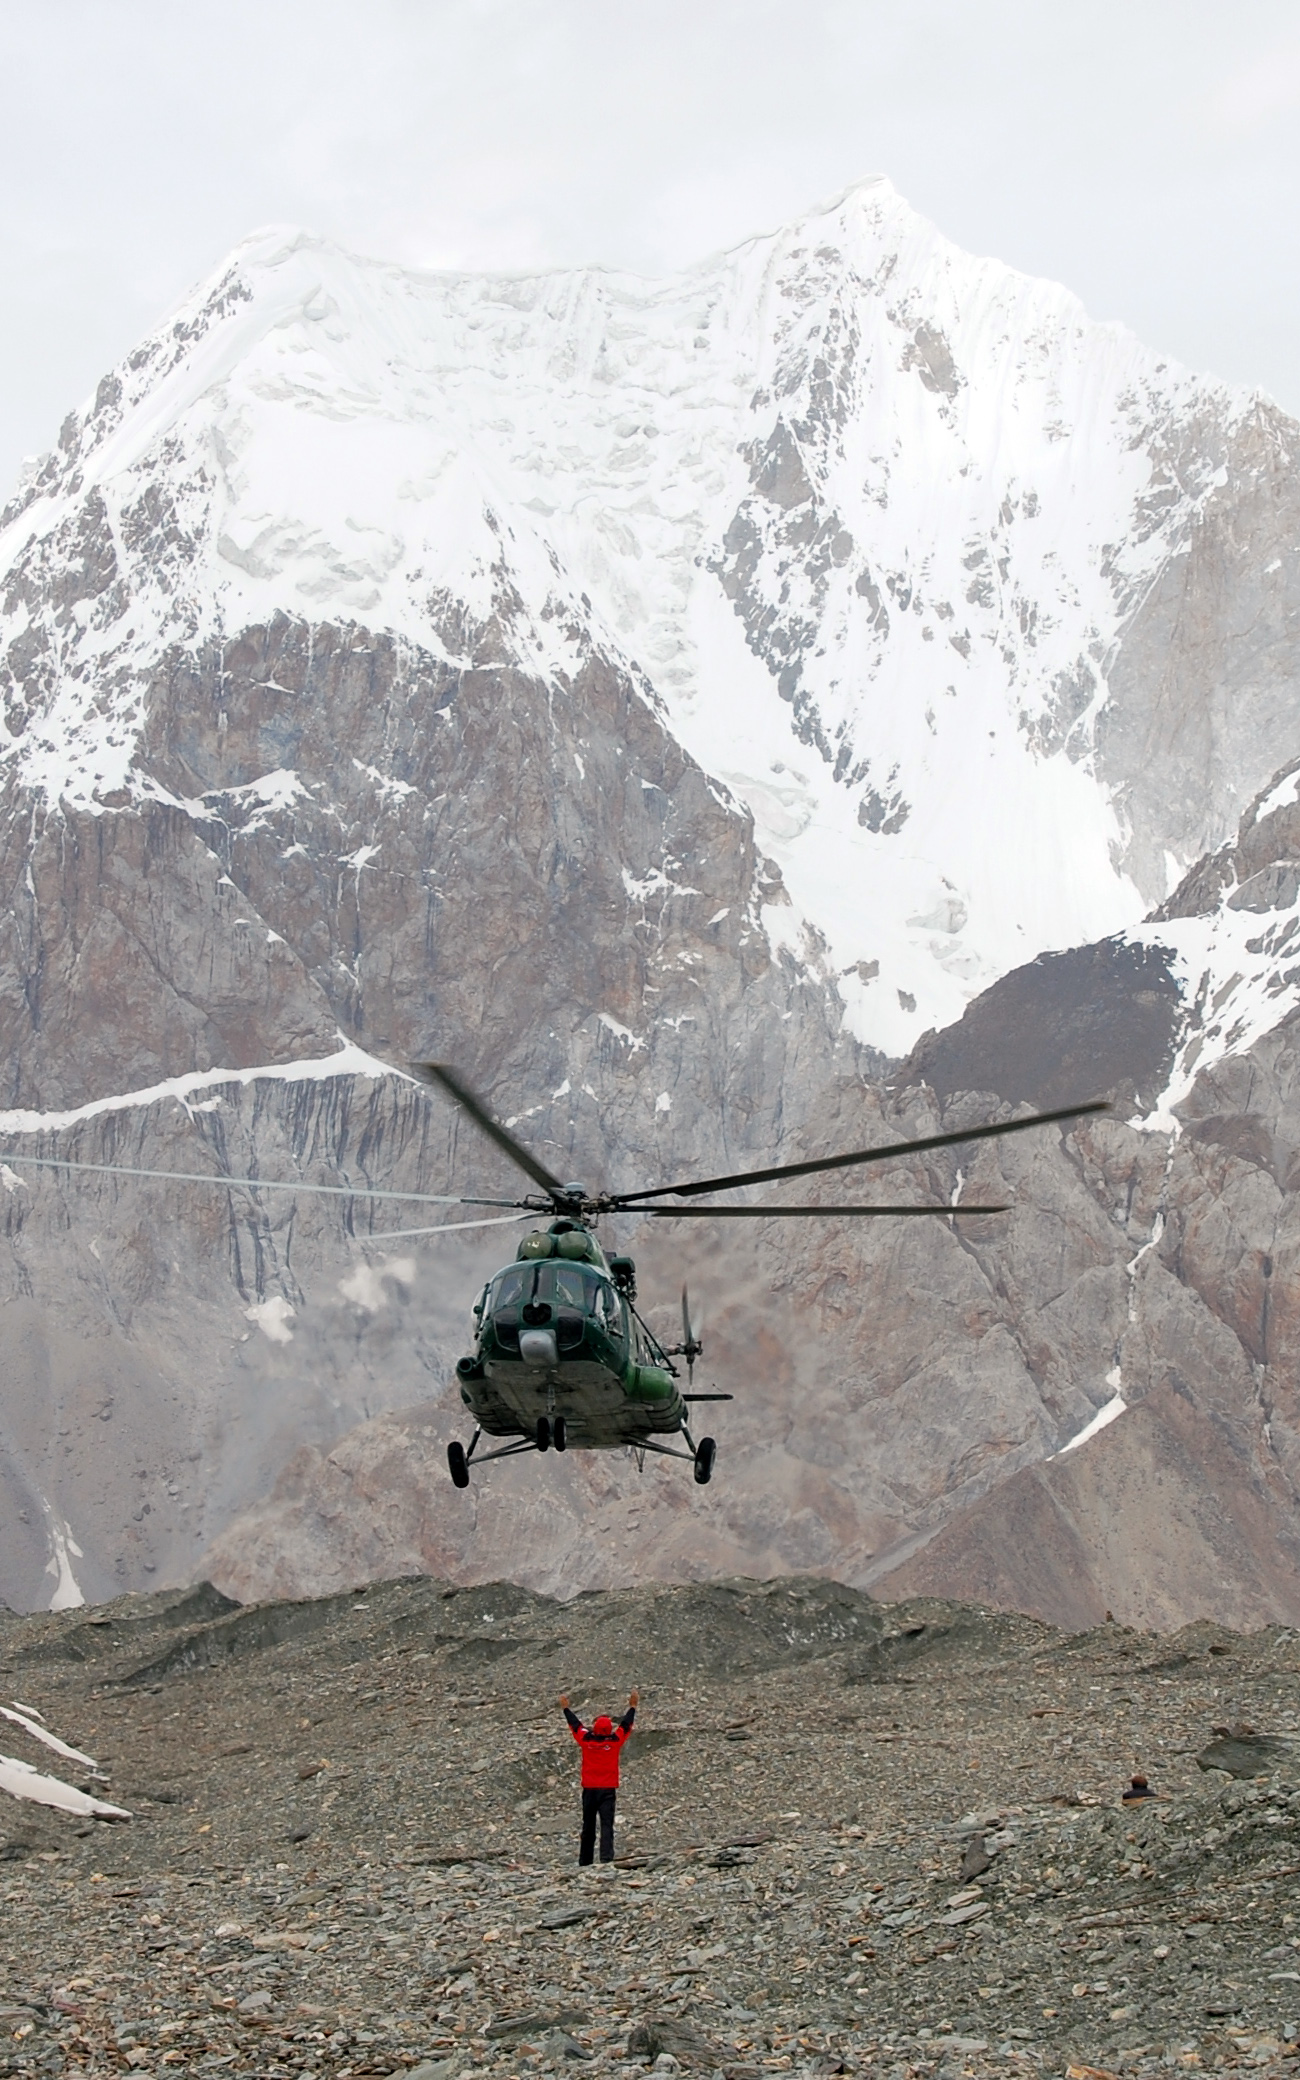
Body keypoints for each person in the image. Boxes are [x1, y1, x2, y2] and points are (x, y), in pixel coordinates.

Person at [559, 1689, 638, 1865]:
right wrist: (632, 1707)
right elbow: (626, 1725)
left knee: (588, 1826)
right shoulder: (615, 1742)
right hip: (608, 1789)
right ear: (609, 1729)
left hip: (589, 1789)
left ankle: (585, 1860)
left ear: (595, 1728)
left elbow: (575, 1725)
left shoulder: (587, 1741)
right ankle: (606, 1858)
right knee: (606, 1825)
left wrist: (566, 1709)